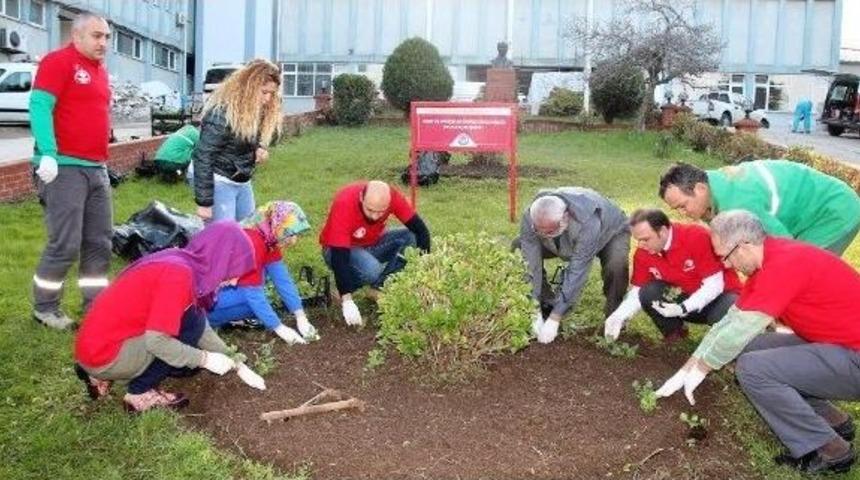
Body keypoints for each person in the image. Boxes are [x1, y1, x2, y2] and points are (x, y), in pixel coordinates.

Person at [655, 210, 860, 475]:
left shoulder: (783, 266)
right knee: (750, 349)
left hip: (854, 356)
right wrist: (688, 368)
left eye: (725, 256)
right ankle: (834, 421)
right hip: (837, 344)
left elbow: (740, 331)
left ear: (743, 245)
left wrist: (704, 368)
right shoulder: (769, 259)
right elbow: (730, 321)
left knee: (753, 368)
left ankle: (831, 450)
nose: (726, 265)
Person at [73, 222, 267, 413]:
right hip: (106, 354)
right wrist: (205, 359)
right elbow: (159, 341)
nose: (234, 281)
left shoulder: (182, 262)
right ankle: (139, 393)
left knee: (188, 347)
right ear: (221, 259)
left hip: (95, 346)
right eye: (234, 270)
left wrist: (234, 361)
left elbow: (200, 324)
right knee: (186, 333)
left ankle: (98, 375)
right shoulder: (178, 277)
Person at [29, 13, 113, 329]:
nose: (103, 42)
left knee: (100, 242)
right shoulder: (58, 62)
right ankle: (45, 308)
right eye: (96, 36)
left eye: (106, 37)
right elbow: (39, 106)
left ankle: (95, 305)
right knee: (65, 243)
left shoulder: (100, 71)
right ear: (77, 36)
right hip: (63, 168)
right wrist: (48, 154)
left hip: (96, 168)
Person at [659, 160, 860, 256]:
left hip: (833, 209)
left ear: (700, 189)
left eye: (683, 206)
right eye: (677, 210)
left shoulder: (740, 205)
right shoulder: (712, 189)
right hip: (811, 212)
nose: (683, 214)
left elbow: (784, 248)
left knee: (807, 268)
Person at [603, 208, 742, 342]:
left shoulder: (695, 236)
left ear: (663, 231)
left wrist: (684, 307)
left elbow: (715, 284)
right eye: (637, 240)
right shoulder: (643, 253)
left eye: (645, 239)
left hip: (721, 298)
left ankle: (732, 344)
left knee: (728, 310)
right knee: (648, 291)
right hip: (684, 302)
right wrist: (619, 316)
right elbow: (638, 291)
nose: (641, 245)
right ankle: (676, 335)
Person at [515, 187, 630, 344]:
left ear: (565, 217)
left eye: (549, 232)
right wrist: (533, 308)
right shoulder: (531, 216)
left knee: (616, 265)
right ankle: (546, 303)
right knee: (518, 247)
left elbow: (578, 270)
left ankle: (615, 317)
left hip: (611, 232)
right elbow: (530, 261)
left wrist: (556, 317)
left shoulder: (588, 222)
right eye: (539, 231)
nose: (543, 236)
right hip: (563, 236)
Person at [319, 180, 431, 326]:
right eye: (370, 210)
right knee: (372, 270)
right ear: (361, 198)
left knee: (411, 236)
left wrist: (425, 271)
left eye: (381, 212)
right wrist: (347, 300)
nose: (375, 216)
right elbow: (339, 256)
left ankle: (379, 288)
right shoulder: (345, 202)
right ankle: (343, 289)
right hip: (336, 250)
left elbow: (421, 230)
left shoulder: (392, 197)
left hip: (372, 242)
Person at [207, 201, 319, 343]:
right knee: (254, 302)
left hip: (223, 288)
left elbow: (282, 279)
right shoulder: (253, 243)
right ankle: (207, 322)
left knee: (260, 300)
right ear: (278, 224)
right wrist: (279, 328)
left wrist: (301, 316)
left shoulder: (267, 236)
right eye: (289, 233)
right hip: (205, 299)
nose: (293, 240)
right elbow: (253, 295)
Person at [192, 59, 282, 222]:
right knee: (225, 234)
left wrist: (258, 149)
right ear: (249, 88)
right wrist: (204, 203)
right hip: (218, 179)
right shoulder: (221, 113)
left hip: (241, 180)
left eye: (272, 93)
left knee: (248, 228)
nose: (268, 99)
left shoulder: (253, 111)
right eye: (264, 92)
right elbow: (204, 156)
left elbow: (246, 139)